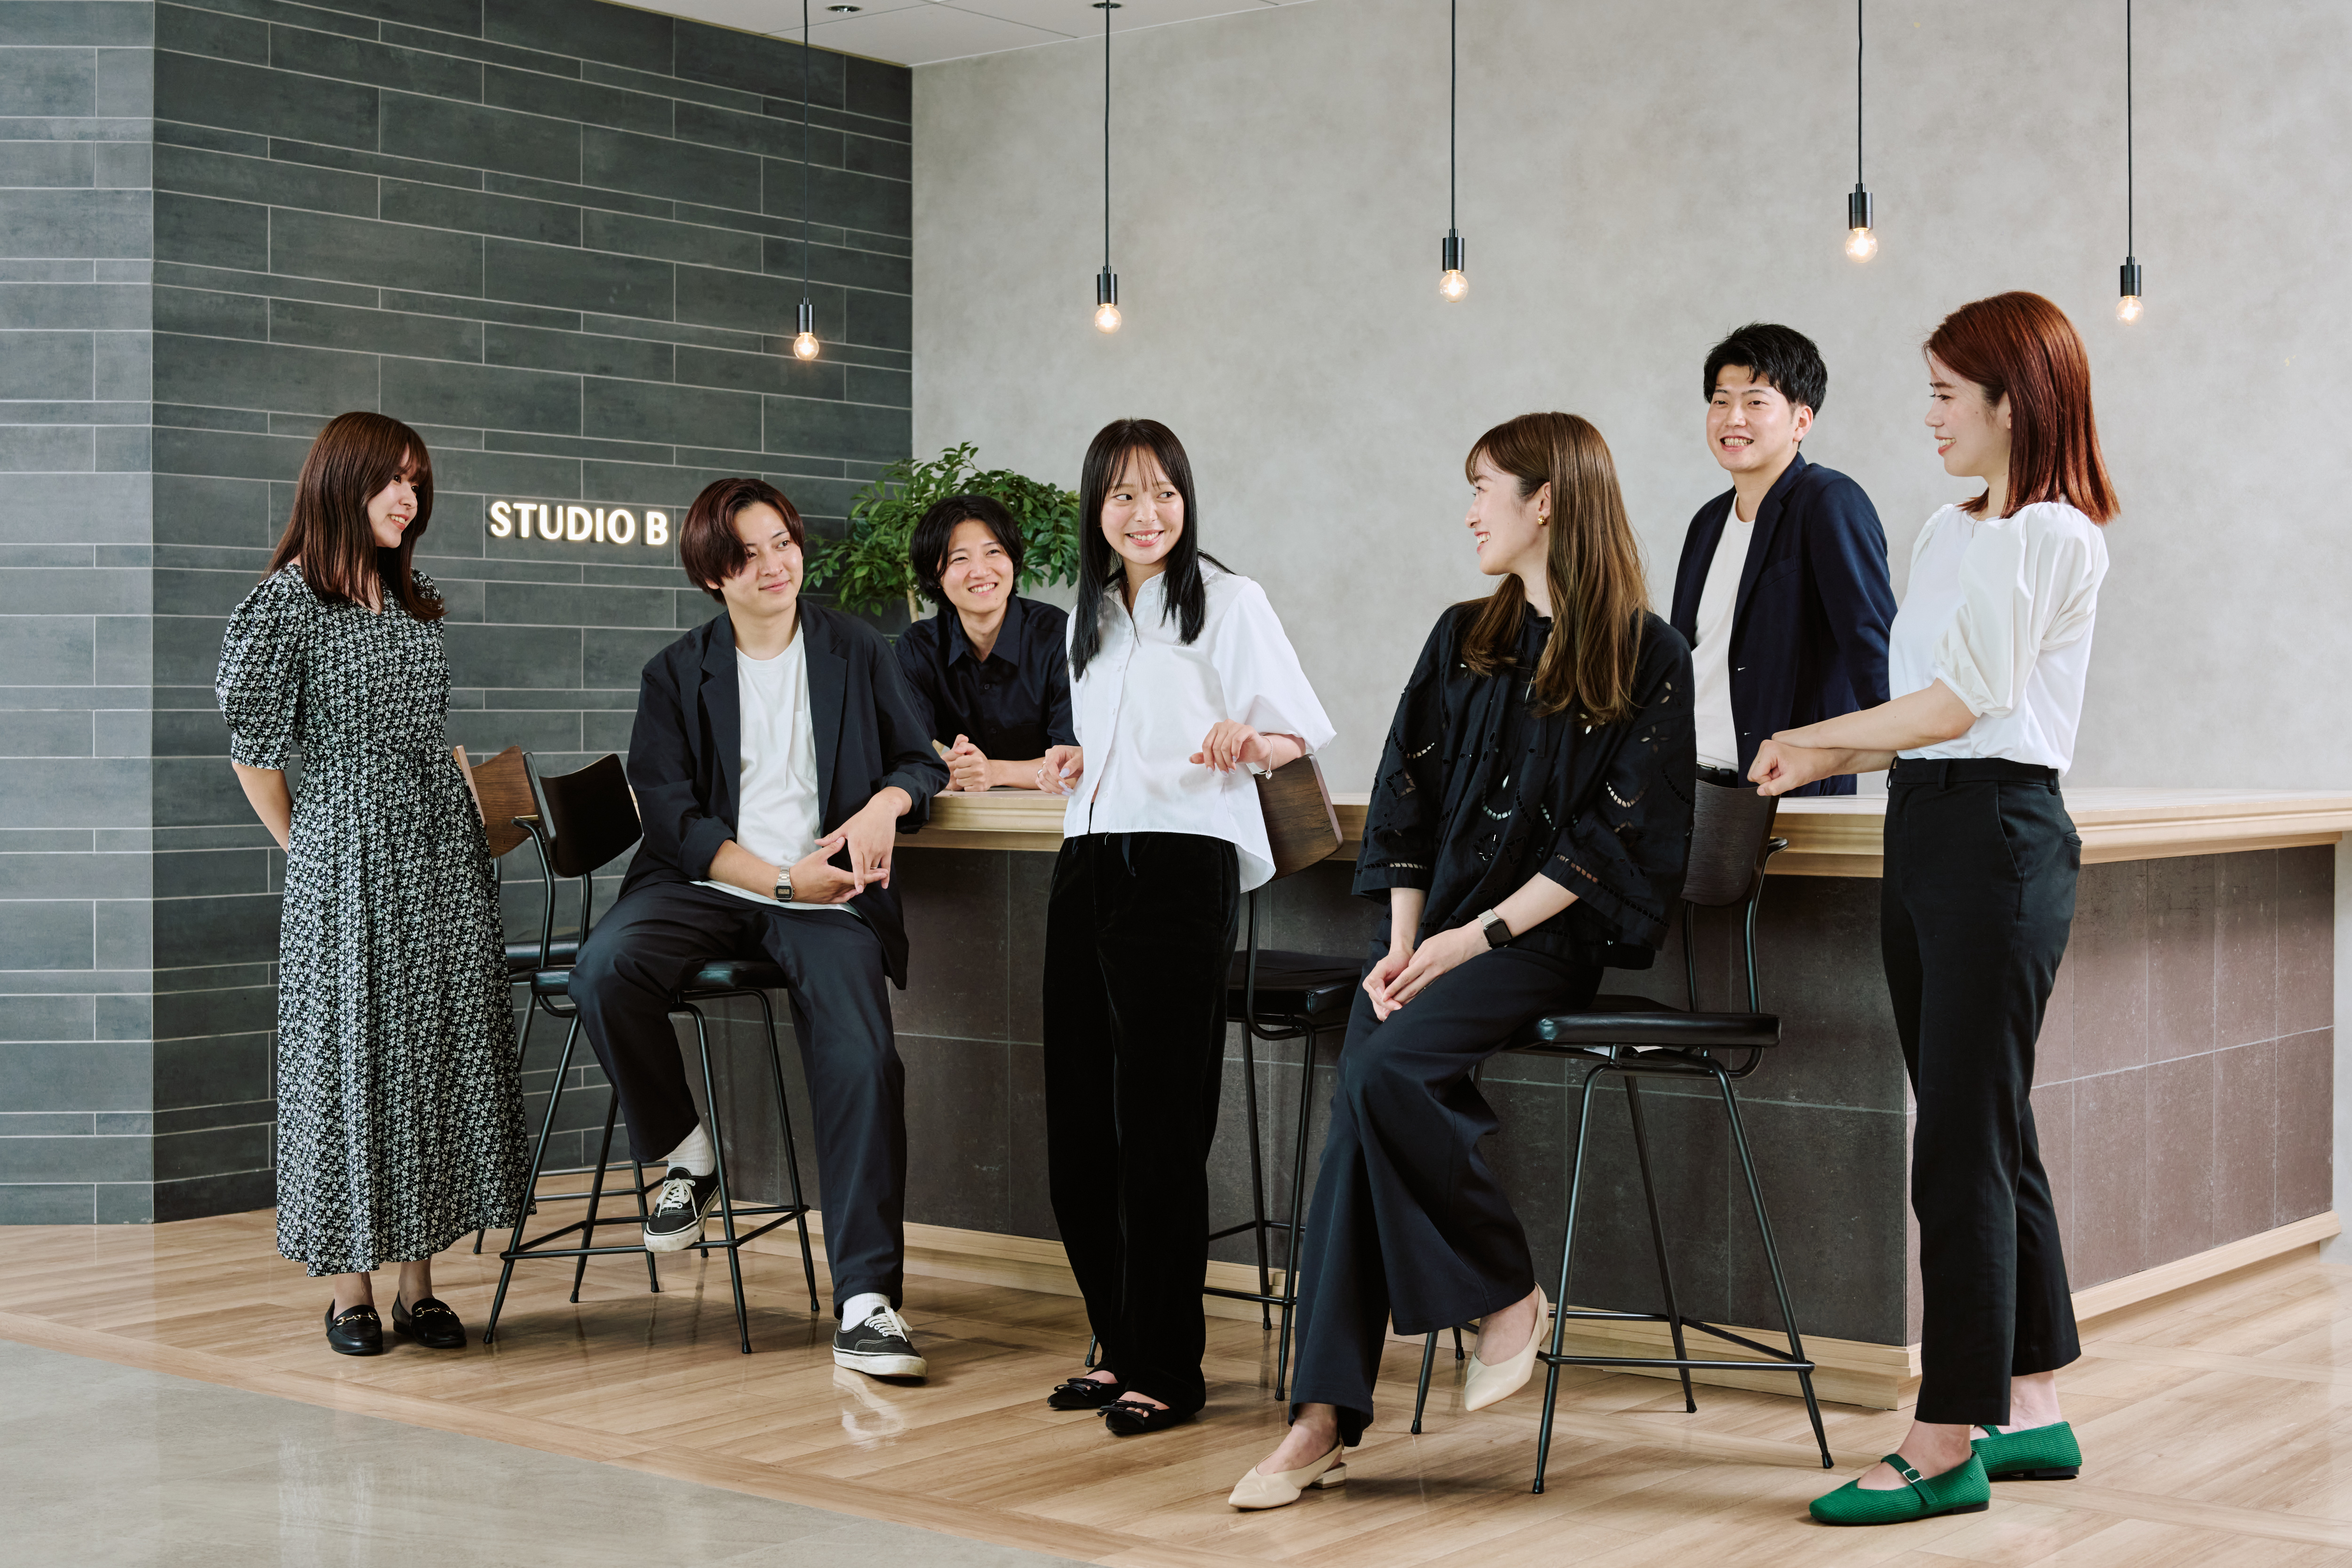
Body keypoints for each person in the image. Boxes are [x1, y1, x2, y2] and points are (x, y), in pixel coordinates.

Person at [1230, 412, 1694, 1510]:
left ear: (1548, 500)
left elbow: (1608, 847)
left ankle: (1499, 1293)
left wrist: (1469, 940)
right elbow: (1407, 796)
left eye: (1485, 487)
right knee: (1362, 1091)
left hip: (1539, 941)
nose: (1471, 510)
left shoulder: (1647, 654)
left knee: (1384, 1071)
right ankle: (1321, 1416)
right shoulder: (1461, 637)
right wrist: (1403, 945)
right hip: (1430, 929)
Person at [1749, 293, 2115, 1526]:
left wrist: (1815, 736)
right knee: (1985, 1122)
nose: (1930, 416)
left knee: (1958, 1142)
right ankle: (2034, 1405)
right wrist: (1825, 748)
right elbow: (1919, 708)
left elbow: (1969, 699)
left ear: (2016, 401)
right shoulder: (1947, 528)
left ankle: (1945, 1436)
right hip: (1926, 826)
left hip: (2000, 836)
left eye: (1948, 394)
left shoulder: (2053, 534)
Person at [567, 477, 948, 1379]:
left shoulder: (857, 650)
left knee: (864, 1058)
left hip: (830, 893)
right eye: (746, 554)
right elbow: (672, 817)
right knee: (604, 967)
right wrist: (778, 878)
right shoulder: (675, 673)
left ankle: (867, 1301)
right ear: (713, 575)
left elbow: (919, 761)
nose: (775, 565)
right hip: (712, 886)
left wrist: (888, 804)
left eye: (782, 542)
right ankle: (686, 1151)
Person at [1036, 418, 1335, 1435]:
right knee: (1079, 1130)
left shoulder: (1229, 600)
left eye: (1163, 491)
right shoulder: (1089, 617)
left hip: (1180, 865)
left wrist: (1254, 738)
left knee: (1161, 1129)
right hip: (1088, 856)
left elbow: (1294, 733)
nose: (1146, 512)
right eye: (1124, 494)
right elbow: (1114, 731)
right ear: (1096, 508)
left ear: (1185, 499)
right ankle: (1119, 1341)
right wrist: (1075, 758)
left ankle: (1167, 1365)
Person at [216, 411, 526, 1358]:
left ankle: (418, 1286)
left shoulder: (412, 593)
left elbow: (428, 732)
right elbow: (253, 751)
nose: (409, 498)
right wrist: (312, 849)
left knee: (426, 1058)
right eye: (393, 480)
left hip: (438, 853)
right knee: (349, 1059)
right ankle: (348, 1290)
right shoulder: (287, 601)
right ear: (341, 483)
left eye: (417, 482)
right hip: (346, 858)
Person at [1672, 322, 1895, 794]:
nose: (1732, 418)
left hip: (1777, 790)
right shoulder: (1707, 522)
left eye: (1755, 402)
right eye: (1720, 401)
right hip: (1684, 782)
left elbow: (1873, 650)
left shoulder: (1828, 501)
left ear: (1801, 422)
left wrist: (1913, 758)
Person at [894, 493, 1076, 792]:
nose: (980, 571)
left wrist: (992, 771)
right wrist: (944, 770)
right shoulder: (918, 649)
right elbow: (904, 753)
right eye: (960, 558)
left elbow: (1073, 765)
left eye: (993, 552)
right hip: (962, 813)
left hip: (1054, 813)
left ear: (1012, 559)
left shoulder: (1061, 637)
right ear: (935, 575)